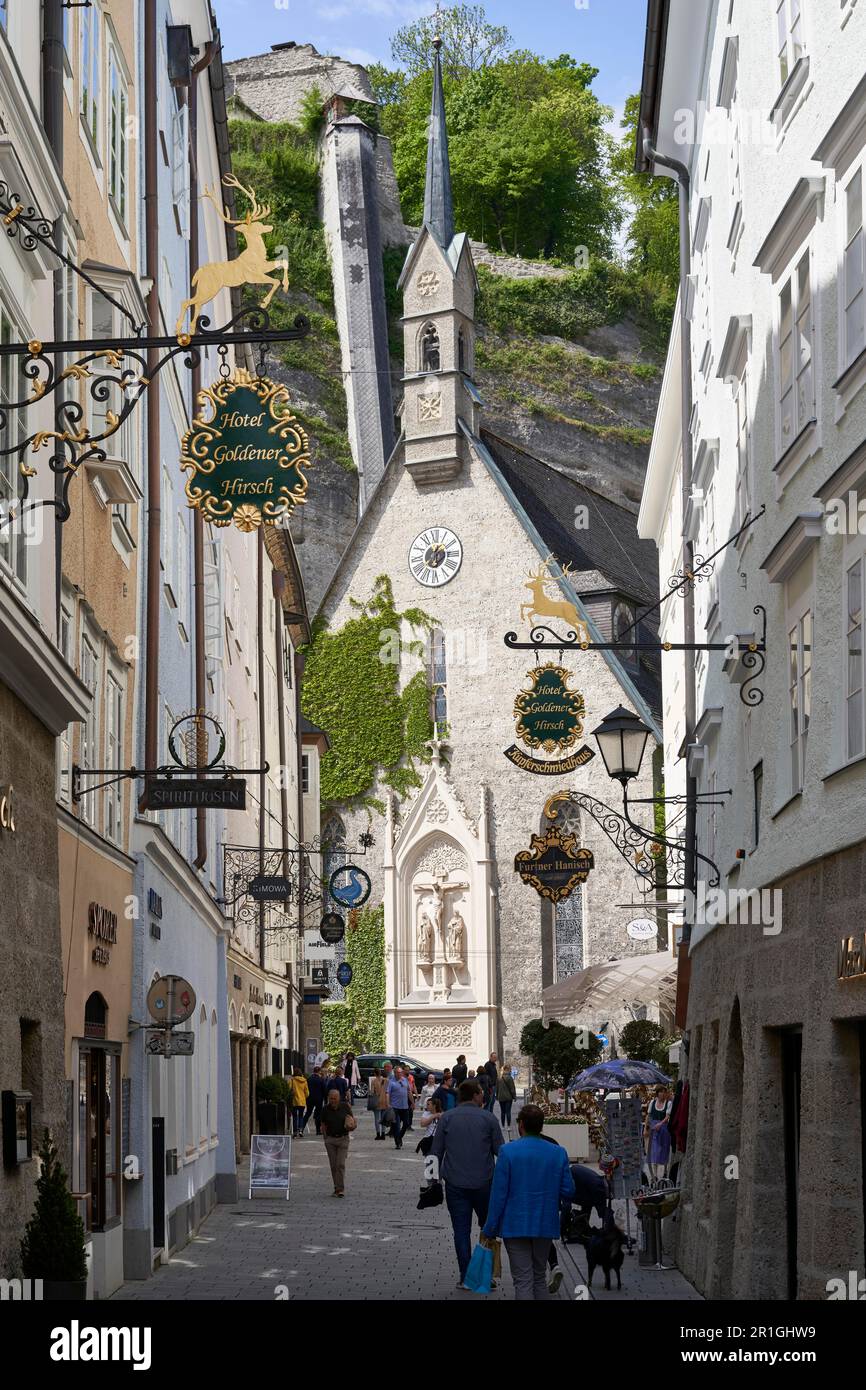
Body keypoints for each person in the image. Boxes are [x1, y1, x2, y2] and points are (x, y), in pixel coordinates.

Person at [482, 1104, 574, 1300]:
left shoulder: (507, 1152)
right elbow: (569, 1191)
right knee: (539, 1276)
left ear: (521, 1124)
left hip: (515, 1223)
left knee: (523, 1279)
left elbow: (498, 1194)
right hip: (544, 1222)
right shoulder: (558, 1152)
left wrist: (490, 1227)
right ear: (541, 1126)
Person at [430, 1079, 504, 1288]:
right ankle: (485, 1275)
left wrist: (432, 1180)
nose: (484, 1096)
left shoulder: (447, 1119)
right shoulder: (489, 1118)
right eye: (481, 1092)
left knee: (460, 1231)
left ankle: (466, 1277)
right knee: (488, 1228)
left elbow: (435, 1152)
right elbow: (501, 1152)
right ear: (475, 1095)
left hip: (455, 1183)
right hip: (484, 1183)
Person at [321, 1086, 354, 1197]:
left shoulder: (345, 1107)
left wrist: (351, 1125)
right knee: (333, 1165)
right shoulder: (325, 1109)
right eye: (331, 1098)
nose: (333, 1101)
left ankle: (340, 1189)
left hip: (343, 1139)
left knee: (340, 1164)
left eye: (335, 1098)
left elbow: (352, 1120)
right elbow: (323, 1124)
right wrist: (325, 1138)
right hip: (330, 1140)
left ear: (339, 1098)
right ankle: (336, 1187)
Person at [645, 1085, 672, 1179]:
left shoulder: (668, 1103)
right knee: (654, 1151)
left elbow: (667, 1116)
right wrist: (646, 1128)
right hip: (654, 1129)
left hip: (664, 1129)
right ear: (657, 1093)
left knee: (664, 1150)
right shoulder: (652, 1103)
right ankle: (655, 1175)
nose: (663, 1094)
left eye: (664, 1092)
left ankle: (665, 1171)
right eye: (661, 1092)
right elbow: (648, 1116)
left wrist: (660, 1124)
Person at [387, 1065, 411, 1149]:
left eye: (400, 1072)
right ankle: (398, 1143)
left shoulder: (405, 1080)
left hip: (405, 1106)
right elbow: (387, 1093)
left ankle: (399, 1137)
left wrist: (413, 1102)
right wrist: (388, 1104)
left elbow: (409, 1092)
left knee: (406, 1124)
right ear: (394, 1073)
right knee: (396, 1125)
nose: (399, 1074)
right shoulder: (391, 1082)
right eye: (397, 1072)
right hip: (395, 1107)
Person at [303, 1065, 327, 1135]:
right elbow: (324, 1090)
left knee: (308, 1113)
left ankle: (301, 1128)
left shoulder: (309, 1079)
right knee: (318, 1114)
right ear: (319, 1072)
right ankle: (318, 1130)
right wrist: (325, 1100)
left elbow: (306, 1089)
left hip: (309, 1099)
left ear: (313, 1071)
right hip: (319, 1099)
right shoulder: (321, 1080)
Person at [369, 1067, 388, 1139]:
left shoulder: (373, 1081)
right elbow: (387, 1091)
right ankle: (383, 1134)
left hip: (377, 1100)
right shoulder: (386, 1080)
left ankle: (378, 1134)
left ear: (374, 1073)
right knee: (383, 1118)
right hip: (384, 1100)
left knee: (377, 1118)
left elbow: (372, 1092)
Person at [290, 1067, 309, 1137]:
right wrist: (304, 1096)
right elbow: (307, 1093)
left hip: (294, 1101)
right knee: (301, 1116)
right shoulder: (304, 1081)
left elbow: (288, 1089)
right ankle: (301, 1131)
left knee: (295, 1116)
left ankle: (295, 1132)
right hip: (302, 1101)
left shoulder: (292, 1080)